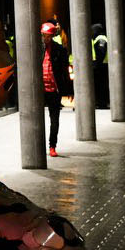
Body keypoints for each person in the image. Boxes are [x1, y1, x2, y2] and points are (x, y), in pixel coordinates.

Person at [41, 21, 73, 156]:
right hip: (40, 91)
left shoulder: (60, 50)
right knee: (36, 121)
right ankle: (38, 147)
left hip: (54, 90)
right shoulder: (37, 50)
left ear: (52, 36)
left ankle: (52, 146)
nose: (46, 38)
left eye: (48, 36)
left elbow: (65, 71)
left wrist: (69, 90)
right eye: (44, 35)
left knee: (54, 120)